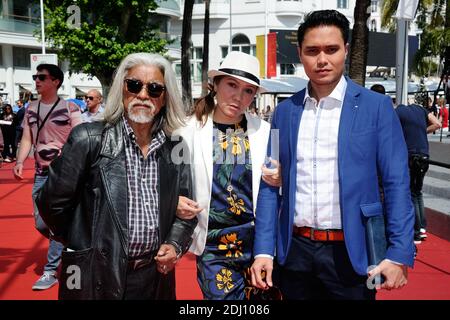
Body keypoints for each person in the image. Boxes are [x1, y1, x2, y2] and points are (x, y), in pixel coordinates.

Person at [251, 10, 415, 300]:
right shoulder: (284, 113)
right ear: (300, 54)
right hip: (295, 253)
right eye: (312, 51)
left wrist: (399, 253)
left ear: (346, 50)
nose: (322, 59)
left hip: (352, 254)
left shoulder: (376, 108)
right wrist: (264, 249)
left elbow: (397, 184)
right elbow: (269, 184)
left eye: (332, 49)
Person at [35, 53, 197, 300]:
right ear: (121, 89)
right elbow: (50, 205)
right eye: (134, 85)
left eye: (154, 89)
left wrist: (174, 244)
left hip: (154, 278)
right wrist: (89, 245)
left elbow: (187, 212)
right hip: (96, 276)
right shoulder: (88, 139)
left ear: (164, 98)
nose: (143, 95)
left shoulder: (176, 147)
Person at [176, 51, 275, 300]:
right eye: (232, 85)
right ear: (215, 85)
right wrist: (175, 201)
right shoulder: (185, 131)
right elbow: (168, 182)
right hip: (212, 246)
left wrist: (281, 178)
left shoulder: (268, 132)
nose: (238, 96)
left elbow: (277, 186)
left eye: (248, 91)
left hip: (259, 245)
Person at [13, 64, 82, 291]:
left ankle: (51, 270)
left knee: (53, 221)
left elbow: (80, 139)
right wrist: (21, 161)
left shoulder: (70, 108)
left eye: (41, 77)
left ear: (56, 82)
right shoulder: (31, 108)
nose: (36, 80)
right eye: (35, 76)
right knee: (41, 221)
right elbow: (26, 139)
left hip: (63, 174)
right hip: (41, 173)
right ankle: (68, 239)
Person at [396, 104, 441, 244]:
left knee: (410, 192)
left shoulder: (398, 111)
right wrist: (423, 131)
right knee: (417, 192)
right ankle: (422, 227)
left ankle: (416, 230)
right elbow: (437, 124)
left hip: (410, 155)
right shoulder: (420, 109)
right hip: (424, 155)